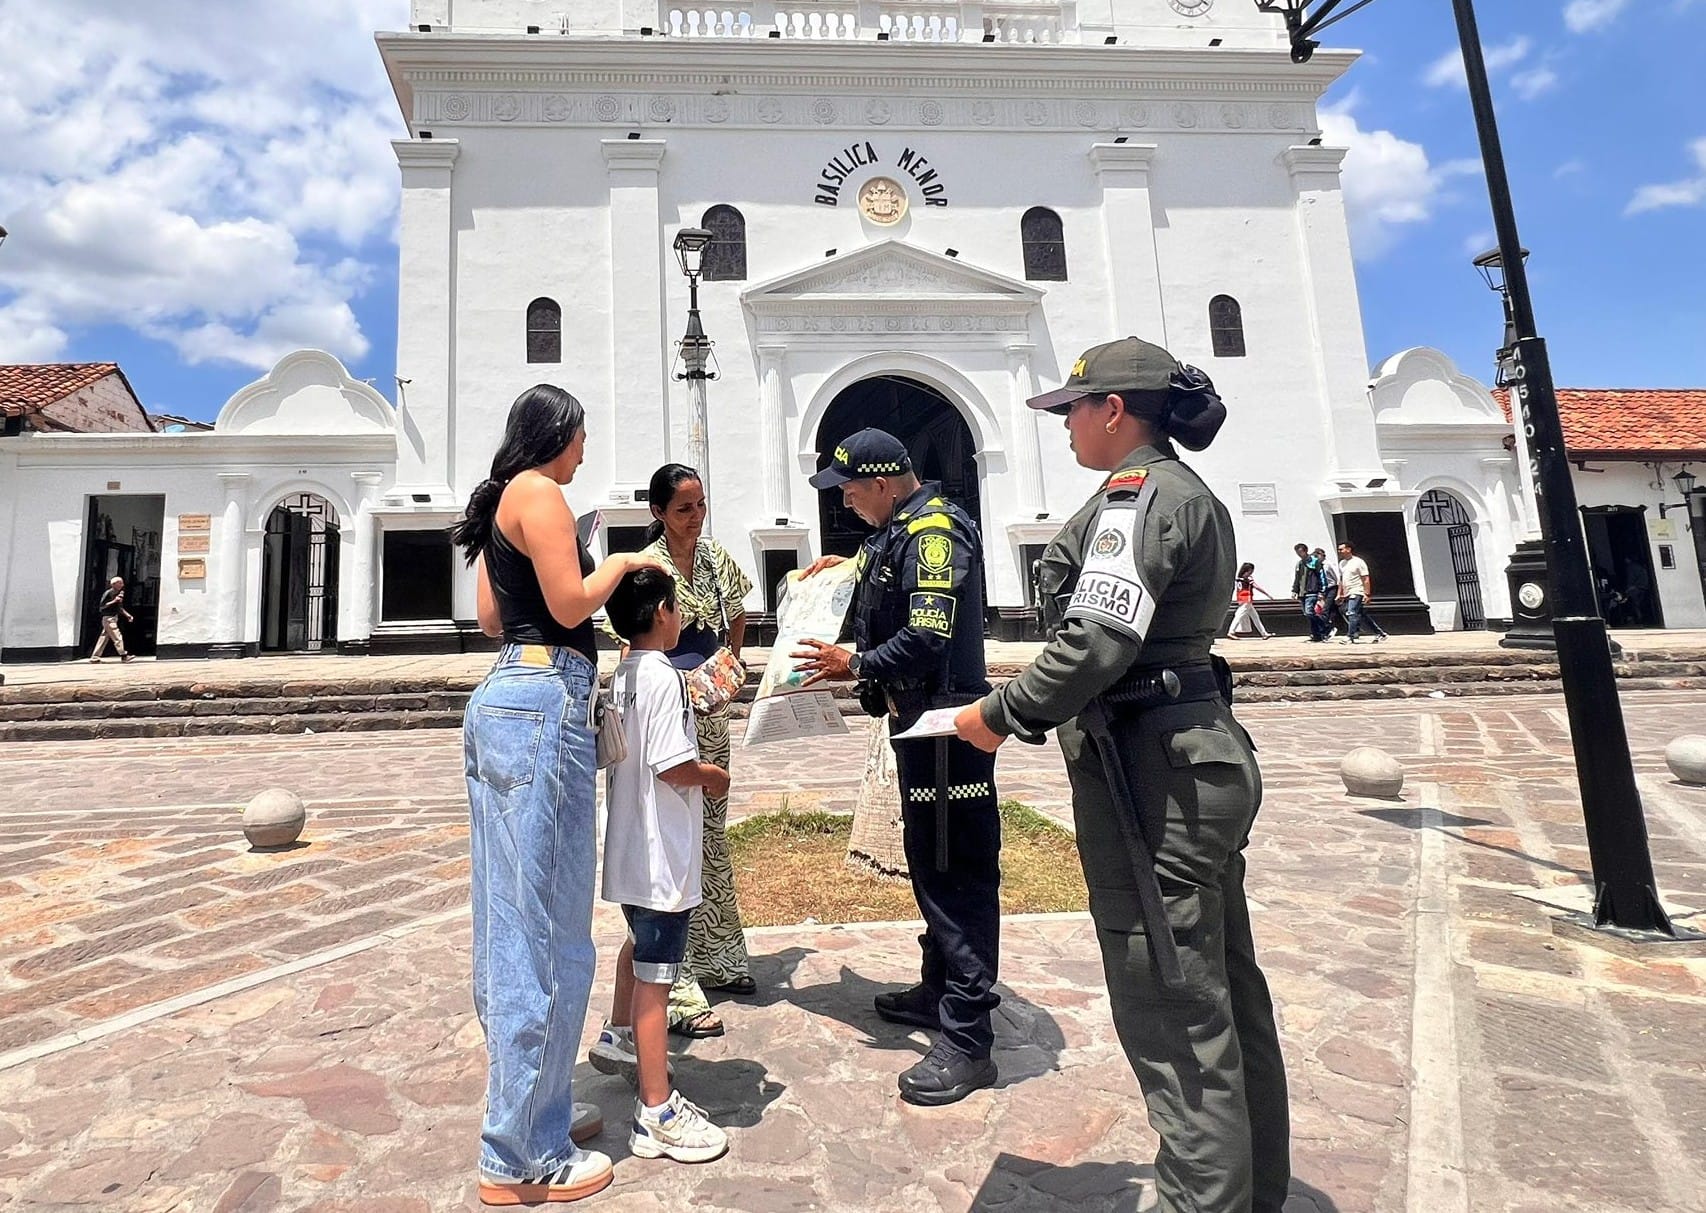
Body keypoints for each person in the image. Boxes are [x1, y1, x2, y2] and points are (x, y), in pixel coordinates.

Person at [953, 338, 1290, 1213]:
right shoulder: (1172, 494)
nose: (1065, 426)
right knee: (1222, 989)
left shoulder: (1137, 497)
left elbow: (1097, 638)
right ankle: (1250, 1192)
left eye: (1073, 409)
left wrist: (997, 716)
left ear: (1113, 410)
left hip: (1155, 777)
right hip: (1191, 754)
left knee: (1176, 1008)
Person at [451, 383, 662, 1206]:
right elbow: (571, 603)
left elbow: (494, 617)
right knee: (546, 928)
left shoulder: (503, 501)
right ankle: (519, 1155)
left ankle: (535, 1107)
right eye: (580, 438)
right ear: (558, 433)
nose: (583, 452)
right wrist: (621, 561)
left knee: (513, 916)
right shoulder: (540, 492)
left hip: (512, 691)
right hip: (546, 701)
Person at [792, 427, 1002, 1107]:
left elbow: (928, 632)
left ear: (881, 482)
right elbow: (886, 575)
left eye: (849, 488)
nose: (843, 500)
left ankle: (969, 1040)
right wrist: (845, 570)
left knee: (957, 870)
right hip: (920, 727)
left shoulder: (935, 532)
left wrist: (854, 662)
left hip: (948, 730)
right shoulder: (898, 531)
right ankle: (939, 987)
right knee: (931, 858)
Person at [604, 463, 755, 1041]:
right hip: (668, 706)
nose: (695, 517)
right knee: (671, 848)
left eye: (701, 505)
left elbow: (738, 608)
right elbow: (631, 643)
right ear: (659, 513)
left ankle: (721, 954)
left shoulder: (716, 560)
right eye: (684, 508)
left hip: (708, 708)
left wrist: (731, 660)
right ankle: (679, 980)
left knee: (710, 835)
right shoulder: (649, 568)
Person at [592, 567, 732, 1164]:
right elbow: (675, 767)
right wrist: (714, 776)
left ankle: (621, 1035)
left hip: (628, 850)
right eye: (675, 608)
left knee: (639, 944)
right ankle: (657, 1111)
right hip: (660, 853)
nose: (681, 617)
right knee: (659, 977)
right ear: (660, 614)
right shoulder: (663, 679)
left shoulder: (620, 676)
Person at [1336, 541, 1388, 643]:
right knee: (1360, 614)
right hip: (1348, 592)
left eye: (1341, 549)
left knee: (1351, 612)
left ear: (1348, 549)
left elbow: (1365, 578)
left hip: (1357, 591)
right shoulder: (1342, 563)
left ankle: (1350, 636)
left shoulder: (1359, 562)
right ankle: (1380, 633)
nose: (1339, 551)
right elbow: (1342, 580)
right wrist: (1340, 594)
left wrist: (1367, 593)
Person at [88, 576, 136, 662]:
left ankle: (95, 657)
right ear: (114, 584)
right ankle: (124, 655)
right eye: (120, 583)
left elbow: (119, 608)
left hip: (113, 617)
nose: (122, 585)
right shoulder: (108, 593)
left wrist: (127, 615)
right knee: (117, 636)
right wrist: (114, 601)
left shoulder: (119, 593)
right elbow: (102, 606)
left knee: (103, 638)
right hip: (108, 618)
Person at [1291, 544, 1329, 642]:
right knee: (1308, 614)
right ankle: (1317, 635)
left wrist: (1322, 591)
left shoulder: (1315, 562)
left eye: (1300, 552)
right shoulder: (1299, 564)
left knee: (1309, 612)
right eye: (1297, 553)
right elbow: (1297, 578)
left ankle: (1326, 627)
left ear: (1305, 551)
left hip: (1312, 591)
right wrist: (1295, 590)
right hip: (1302, 592)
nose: (1299, 554)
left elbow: (1321, 576)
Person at [1227, 562, 1274, 639]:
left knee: (1255, 616)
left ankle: (1264, 633)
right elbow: (1257, 587)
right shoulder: (1248, 580)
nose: (1251, 573)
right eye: (1250, 571)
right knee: (1239, 615)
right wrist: (1267, 595)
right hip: (1246, 599)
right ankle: (1231, 631)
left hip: (1242, 599)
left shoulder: (1239, 579)